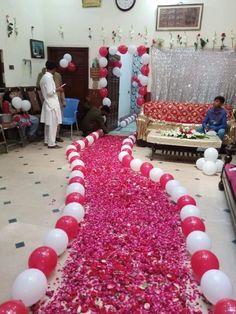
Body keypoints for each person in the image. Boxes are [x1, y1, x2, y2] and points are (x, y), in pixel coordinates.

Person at [37, 67, 65, 142]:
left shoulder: (43, 77)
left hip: (47, 103)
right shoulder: (49, 78)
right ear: (54, 69)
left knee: (48, 124)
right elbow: (50, 92)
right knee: (53, 124)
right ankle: (52, 143)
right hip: (51, 104)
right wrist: (58, 89)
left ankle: (47, 141)